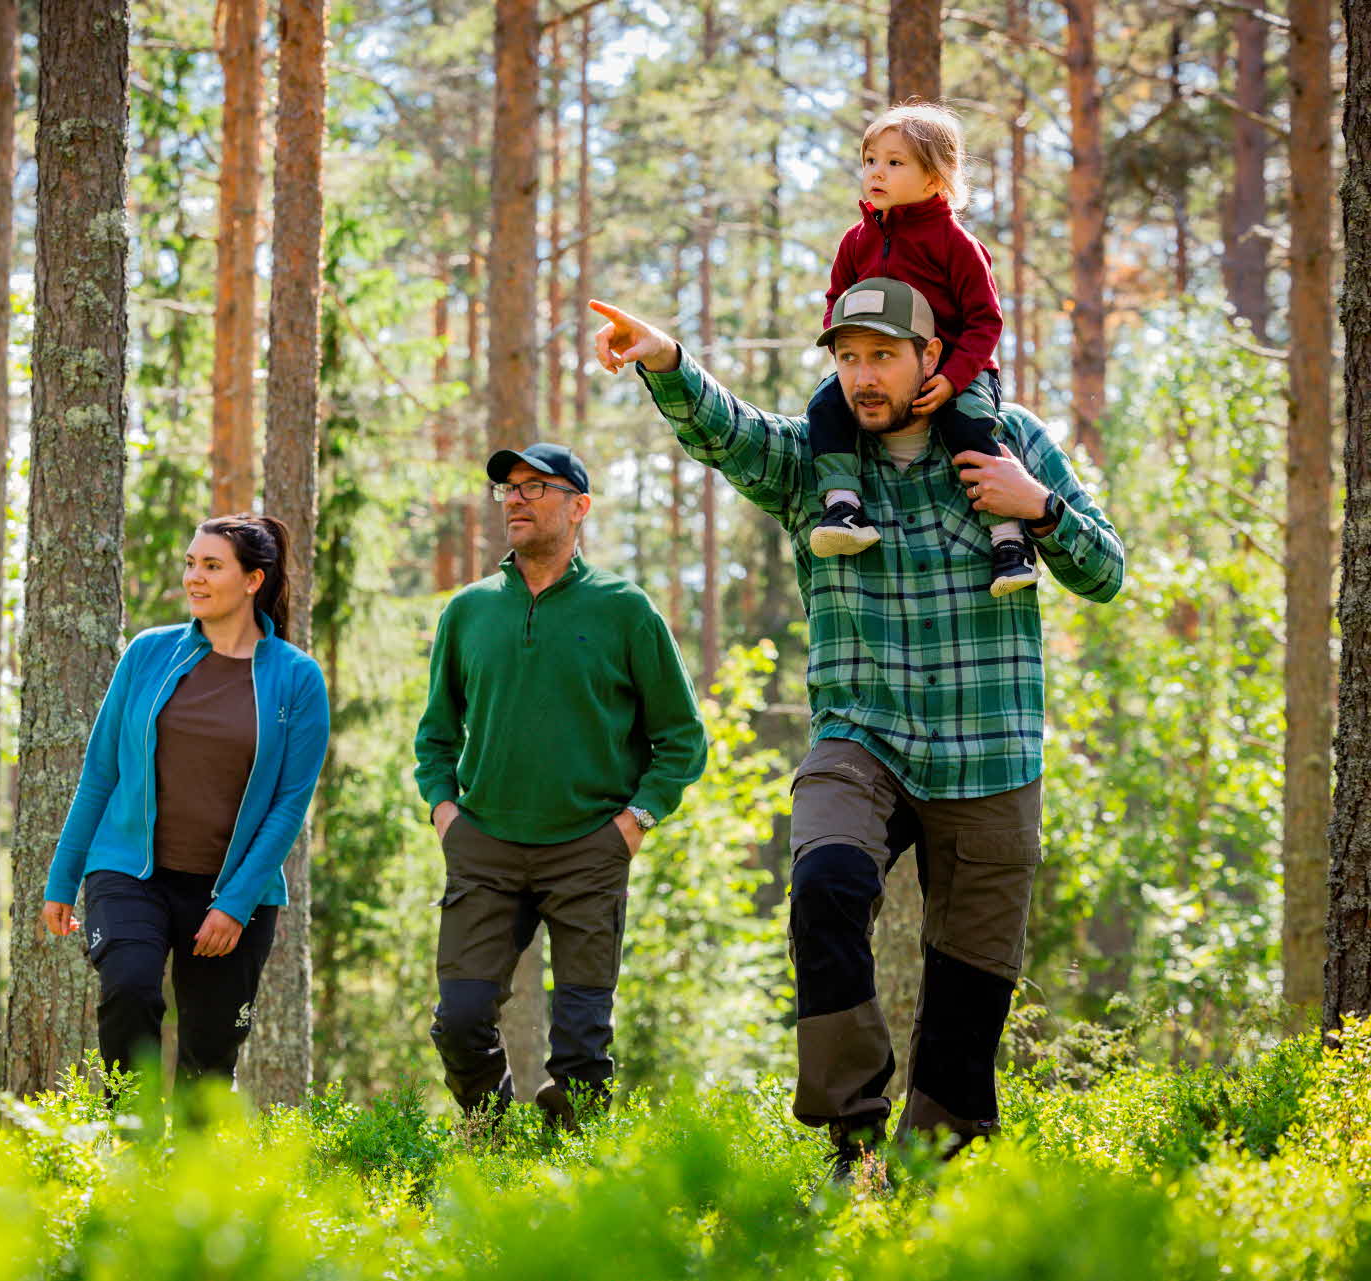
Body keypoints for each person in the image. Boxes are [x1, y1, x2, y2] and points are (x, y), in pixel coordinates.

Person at [589, 278, 1123, 1178]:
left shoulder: (1010, 439)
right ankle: (850, 1135)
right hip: (860, 735)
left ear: (930, 360)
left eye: (881, 356)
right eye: (846, 358)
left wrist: (1037, 505)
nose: (862, 377)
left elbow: (1105, 572)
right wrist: (671, 364)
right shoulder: (817, 463)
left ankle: (933, 1178)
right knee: (826, 886)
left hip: (989, 749)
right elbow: (733, 432)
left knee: (969, 985)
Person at [414, 443, 706, 1127]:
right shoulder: (469, 610)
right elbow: (435, 736)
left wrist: (635, 821)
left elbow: (681, 736)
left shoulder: (624, 610)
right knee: (458, 1021)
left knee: (582, 1050)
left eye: (534, 486)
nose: (515, 498)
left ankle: (568, 1177)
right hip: (483, 845)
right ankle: (492, 1133)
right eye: (507, 489)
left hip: (587, 848)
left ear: (579, 507)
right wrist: (446, 813)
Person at [39, 515, 330, 1086]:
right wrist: (61, 880)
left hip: (229, 891)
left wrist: (235, 904)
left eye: (211, 566)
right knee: (128, 987)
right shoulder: (148, 653)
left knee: (208, 1062)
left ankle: (192, 1175)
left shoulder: (297, 679)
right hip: (129, 871)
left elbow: (288, 806)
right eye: (190, 563)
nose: (194, 578)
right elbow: (100, 773)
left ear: (253, 580)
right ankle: (131, 1146)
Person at [808, 101, 1037, 599]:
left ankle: (1007, 539)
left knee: (966, 425)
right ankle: (844, 504)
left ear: (936, 180)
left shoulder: (955, 242)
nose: (876, 172)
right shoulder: (855, 241)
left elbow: (985, 320)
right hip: (880, 370)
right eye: (870, 160)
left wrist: (953, 377)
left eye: (895, 162)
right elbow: (836, 302)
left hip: (961, 367)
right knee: (825, 406)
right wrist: (847, 353)